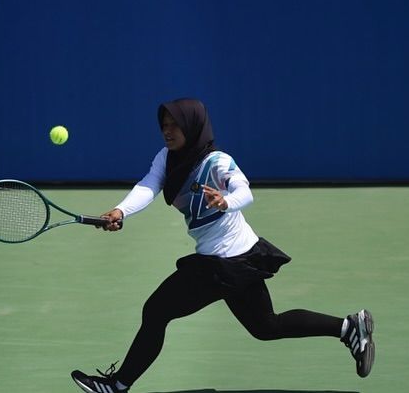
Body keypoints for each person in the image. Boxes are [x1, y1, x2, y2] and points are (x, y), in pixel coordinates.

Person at [71, 98, 374, 393]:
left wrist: (226, 201)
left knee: (156, 311)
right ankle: (349, 328)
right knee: (266, 327)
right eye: (164, 125)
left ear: (193, 126)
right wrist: (120, 211)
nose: (168, 131)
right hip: (237, 260)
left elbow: (245, 191)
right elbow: (149, 185)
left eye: (175, 125)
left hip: (223, 263)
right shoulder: (167, 158)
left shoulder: (217, 161)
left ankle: (117, 385)